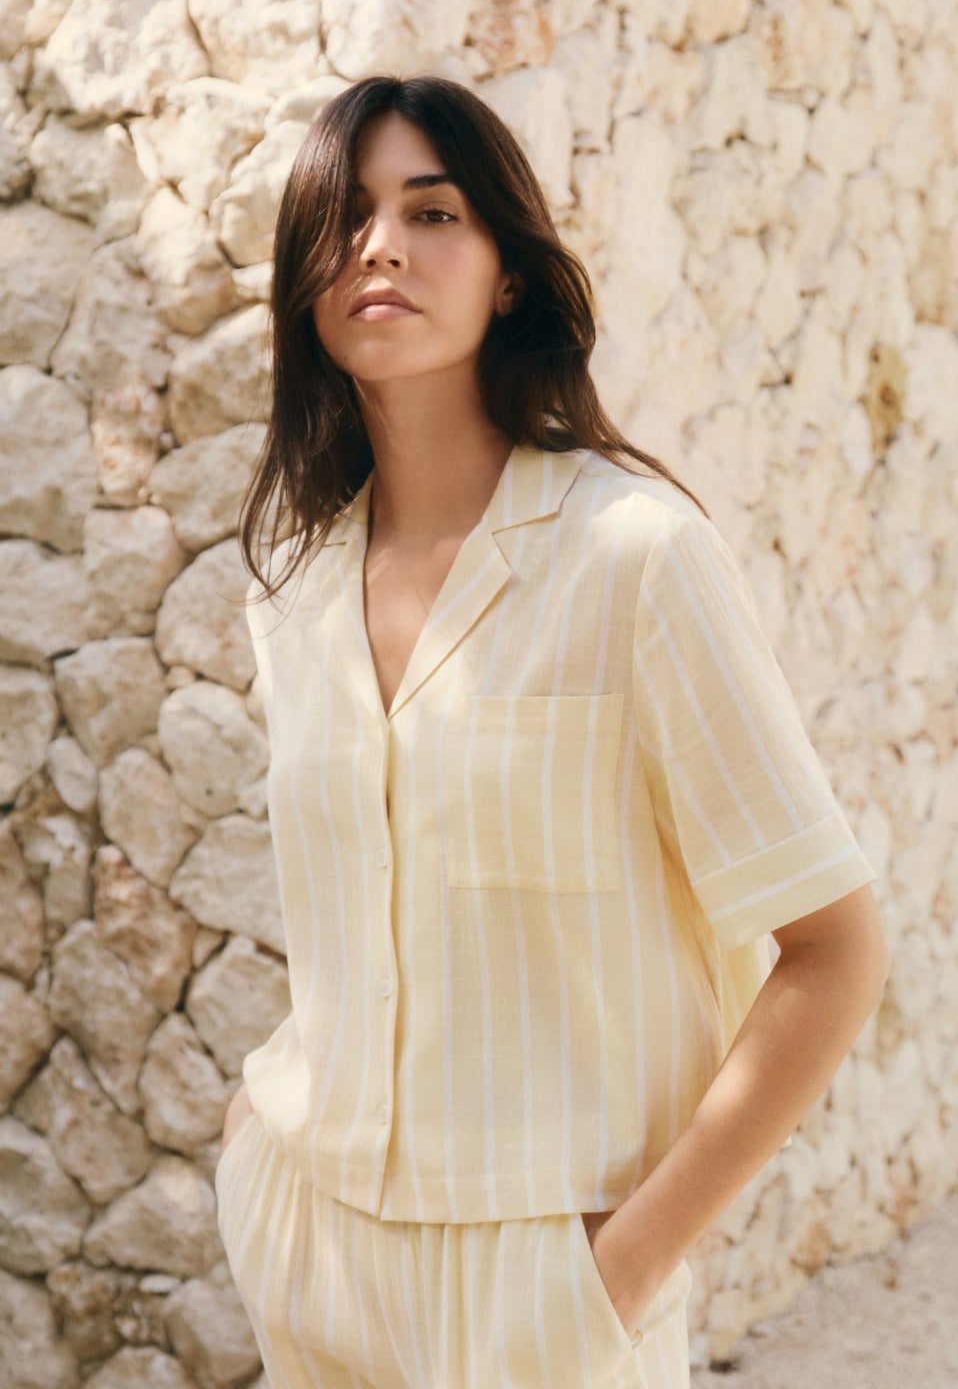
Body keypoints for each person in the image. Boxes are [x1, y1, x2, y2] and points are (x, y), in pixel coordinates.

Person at [214, 76, 891, 1387]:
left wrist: (621, 1269)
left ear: (509, 275)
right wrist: (258, 1142)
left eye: (434, 210)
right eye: (345, 216)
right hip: (310, 1239)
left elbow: (833, 947)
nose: (382, 247)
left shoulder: (635, 557)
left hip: (544, 1286)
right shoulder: (293, 585)